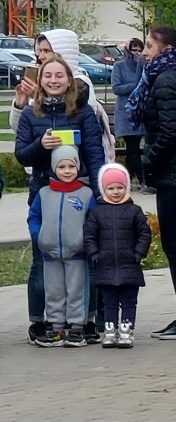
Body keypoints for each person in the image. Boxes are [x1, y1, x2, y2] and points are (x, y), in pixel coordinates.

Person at [16, 54, 107, 345]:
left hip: (79, 194)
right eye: (48, 76)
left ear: (69, 80)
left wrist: (99, 192)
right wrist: (40, 145)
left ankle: (87, 320)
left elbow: (95, 154)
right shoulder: (32, 114)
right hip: (44, 192)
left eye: (59, 76)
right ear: (40, 81)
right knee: (42, 261)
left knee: (85, 260)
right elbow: (21, 155)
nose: (53, 81)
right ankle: (40, 321)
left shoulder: (83, 112)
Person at [127, 26, 176, 340]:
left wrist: (147, 161)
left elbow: (172, 133)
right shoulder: (174, 76)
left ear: (166, 48)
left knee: (175, 248)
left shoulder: (165, 81)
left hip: (175, 175)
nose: (144, 52)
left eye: (149, 45)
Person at [28, 145, 97, 346]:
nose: (67, 171)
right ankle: (56, 328)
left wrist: (84, 240)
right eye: (62, 167)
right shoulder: (44, 194)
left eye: (71, 166)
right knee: (54, 290)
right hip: (49, 252)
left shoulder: (86, 194)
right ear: (53, 168)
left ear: (78, 167)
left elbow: (92, 221)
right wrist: (39, 235)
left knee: (77, 289)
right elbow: (34, 217)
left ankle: (76, 328)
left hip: (77, 253)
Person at [83, 162, 152, 348]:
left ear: (126, 187)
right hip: (105, 266)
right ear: (103, 189)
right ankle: (110, 331)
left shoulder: (134, 211)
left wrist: (138, 254)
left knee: (129, 301)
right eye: (111, 188)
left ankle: (126, 330)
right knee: (109, 302)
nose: (116, 192)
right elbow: (90, 236)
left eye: (120, 187)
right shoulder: (97, 212)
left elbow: (145, 234)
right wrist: (94, 254)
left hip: (129, 265)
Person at [111, 38, 148, 186]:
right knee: (132, 147)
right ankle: (142, 179)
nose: (137, 53)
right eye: (134, 50)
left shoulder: (144, 65)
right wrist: (137, 85)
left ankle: (127, 178)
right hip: (125, 113)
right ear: (128, 50)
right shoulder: (119, 66)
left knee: (133, 149)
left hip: (139, 112)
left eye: (140, 50)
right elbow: (116, 88)